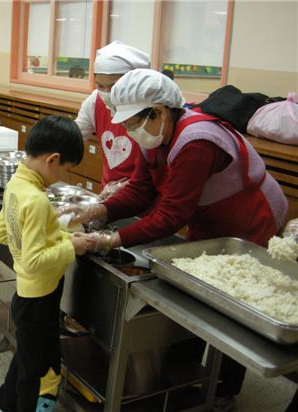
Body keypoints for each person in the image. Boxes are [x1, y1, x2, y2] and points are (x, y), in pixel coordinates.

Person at [62, 68, 289, 407]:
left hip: (249, 219)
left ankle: (223, 388)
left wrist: (108, 240)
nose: (129, 132)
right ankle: (184, 370)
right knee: (198, 297)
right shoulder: (154, 135)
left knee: (232, 309)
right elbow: (141, 190)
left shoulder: (196, 140)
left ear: (160, 111)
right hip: (210, 218)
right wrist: (100, 211)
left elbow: (170, 216)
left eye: (132, 124)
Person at [0, 116, 87, 412]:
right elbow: (34, 261)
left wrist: (54, 230)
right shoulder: (35, 199)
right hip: (39, 297)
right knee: (35, 372)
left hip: (27, 296)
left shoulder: (17, 184)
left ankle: (5, 404)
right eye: (66, 170)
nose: (64, 176)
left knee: (27, 358)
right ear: (53, 159)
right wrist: (71, 245)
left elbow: (0, 231)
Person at [75, 41, 150, 199]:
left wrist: (126, 186)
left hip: (147, 199)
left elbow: (159, 167)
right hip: (109, 195)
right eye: (100, 85)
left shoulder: (151, 110)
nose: (107, 93)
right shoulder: (94, 101)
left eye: (114, 86)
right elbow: (73, 138)